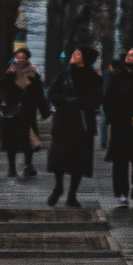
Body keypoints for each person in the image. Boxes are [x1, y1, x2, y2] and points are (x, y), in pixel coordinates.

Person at [45, 45, 103, 207]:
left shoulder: (93, 77)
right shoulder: (64, 75)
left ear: (85, 57)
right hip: (63, 121)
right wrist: (64, 100)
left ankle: (72, 194)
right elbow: (52, 93)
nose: (74, 55)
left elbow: (96, 100)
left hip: (82, 123)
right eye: (75, 52)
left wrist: (79, 101)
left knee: (79, 159)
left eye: (78, 53)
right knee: (58, 156)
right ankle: (58, 187)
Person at [101, 45, 133, 206]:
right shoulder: (118, 77)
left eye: (132, 55)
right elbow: (107, 99)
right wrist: (112, 118)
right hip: (120, 125)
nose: (128, 57)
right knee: (120, 161)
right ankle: (121, 193)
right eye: (128, 55)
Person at [0, 53, 47, 179]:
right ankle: (12, 167)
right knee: (11, 141)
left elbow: (38, 92)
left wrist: (44, 110)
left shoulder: (33, 73)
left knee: (29, 140)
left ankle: (28, 165)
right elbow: (3, 86)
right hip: (12, 112)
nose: (21, 60)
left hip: (28, 112)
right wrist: (10, 74)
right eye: (18, 57)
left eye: (23, 57)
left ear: (27, 59)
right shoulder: (10, 72)